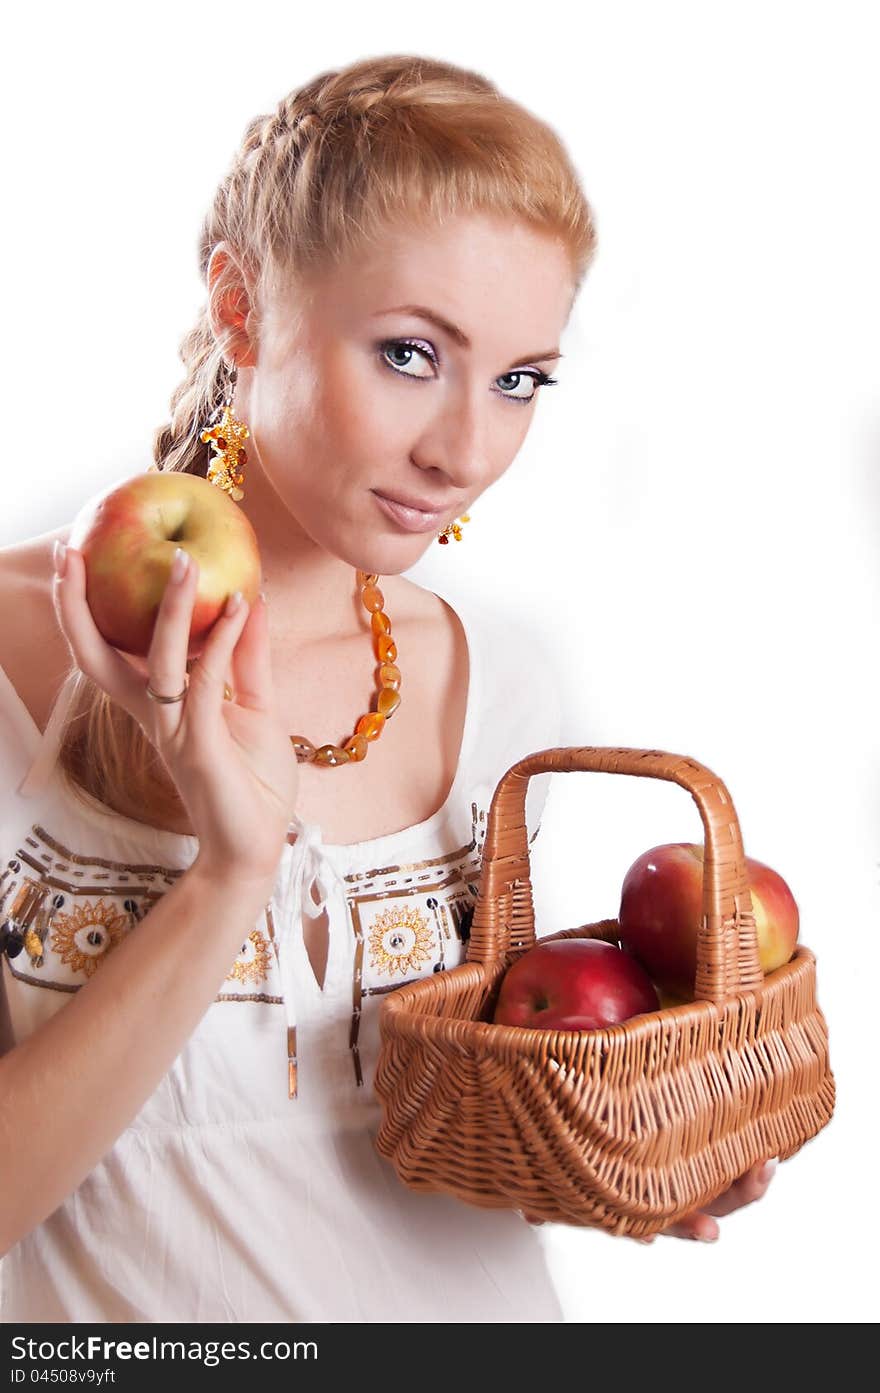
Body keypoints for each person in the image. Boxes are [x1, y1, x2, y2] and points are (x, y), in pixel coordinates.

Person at [0, 54, 777, 1324]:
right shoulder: (6, 660)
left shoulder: (497, 686)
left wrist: (614, 1151)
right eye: (412, 353)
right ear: (241, 309)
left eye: (519, 378)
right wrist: (227, 881)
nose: (466, 450)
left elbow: (430, 1139)